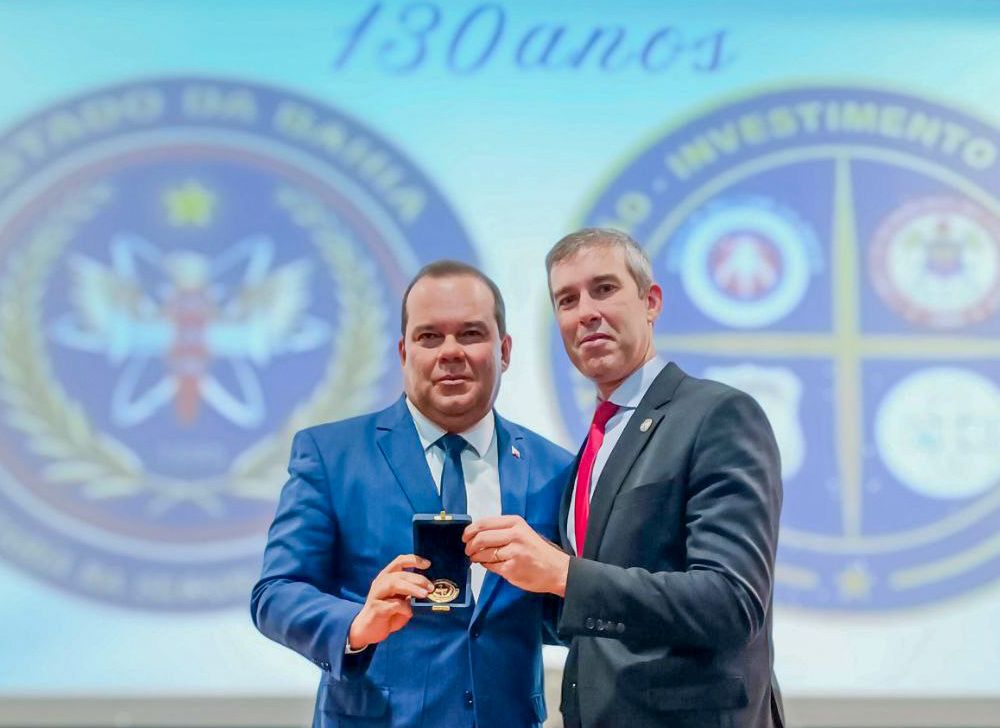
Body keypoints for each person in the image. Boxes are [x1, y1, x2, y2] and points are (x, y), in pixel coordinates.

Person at [463, 228, 785, 727]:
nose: (586, 312)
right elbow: (599, 617)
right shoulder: (594, 446)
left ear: (650, 301)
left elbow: (731, 603)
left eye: (604, 289)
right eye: (567, 300)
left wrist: (564, 574)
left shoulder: (717, 415)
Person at [252, 260, 572, 728]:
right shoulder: (331, 455)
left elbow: (565, 616)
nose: (451, 352)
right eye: (429, 337)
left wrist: (561, 578)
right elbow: (276, 593)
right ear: (404, 352)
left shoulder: (556, 469)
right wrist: (357, 625)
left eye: (470, 334)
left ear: (504, 350)